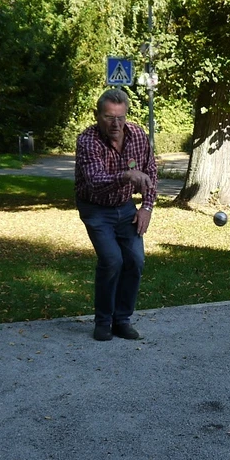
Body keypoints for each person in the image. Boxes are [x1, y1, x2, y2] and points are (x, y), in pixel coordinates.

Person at [75, 88, 157, 342]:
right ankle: (103, 322)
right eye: (109, 117)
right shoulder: (88, 140)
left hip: (125, 207)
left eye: (120, 117)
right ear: (98, 116)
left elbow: (151, 172)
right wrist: (125, 176)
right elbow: (95, 180)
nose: (116, 124)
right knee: (112, 260)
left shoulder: (138, 136)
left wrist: (146, 207)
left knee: (135, 260)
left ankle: (122, 320)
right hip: (95, 208)